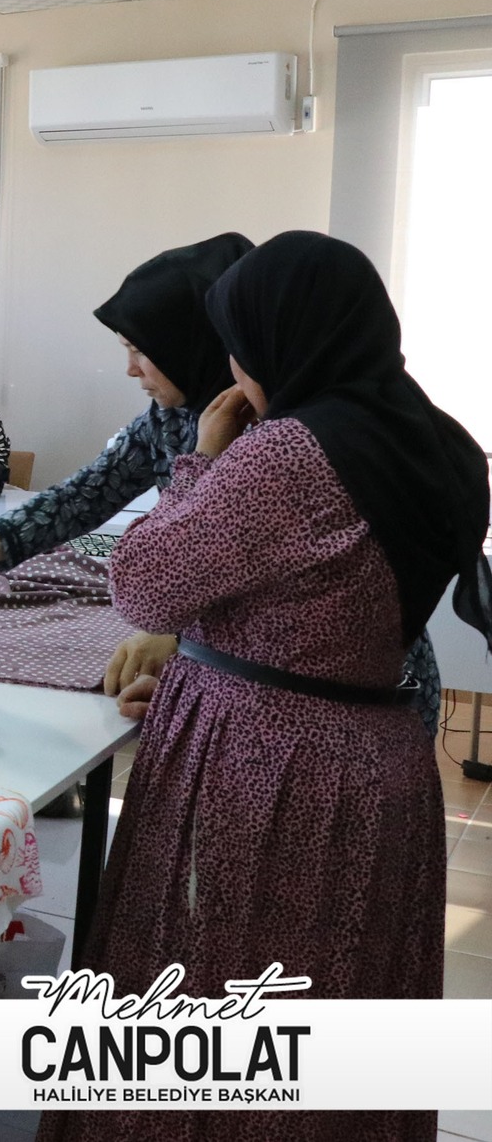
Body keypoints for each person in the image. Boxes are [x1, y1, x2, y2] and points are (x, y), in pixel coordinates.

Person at [37, 232, 489, 1142]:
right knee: (333, 991)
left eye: (240, 343)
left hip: (270, 769)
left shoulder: (287, 455)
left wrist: (202, 457)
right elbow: (310, 606)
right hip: (378, 762)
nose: (234, 366)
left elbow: (144, 584)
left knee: (222, 988)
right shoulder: (440, 442)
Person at [0, 234, 259, 702]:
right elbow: (80, 496)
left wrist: (177, 631)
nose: (130, 369)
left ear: (188, 343)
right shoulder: (171, 418)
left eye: (140, 350)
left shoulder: (266, 430)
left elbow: (251, 568)